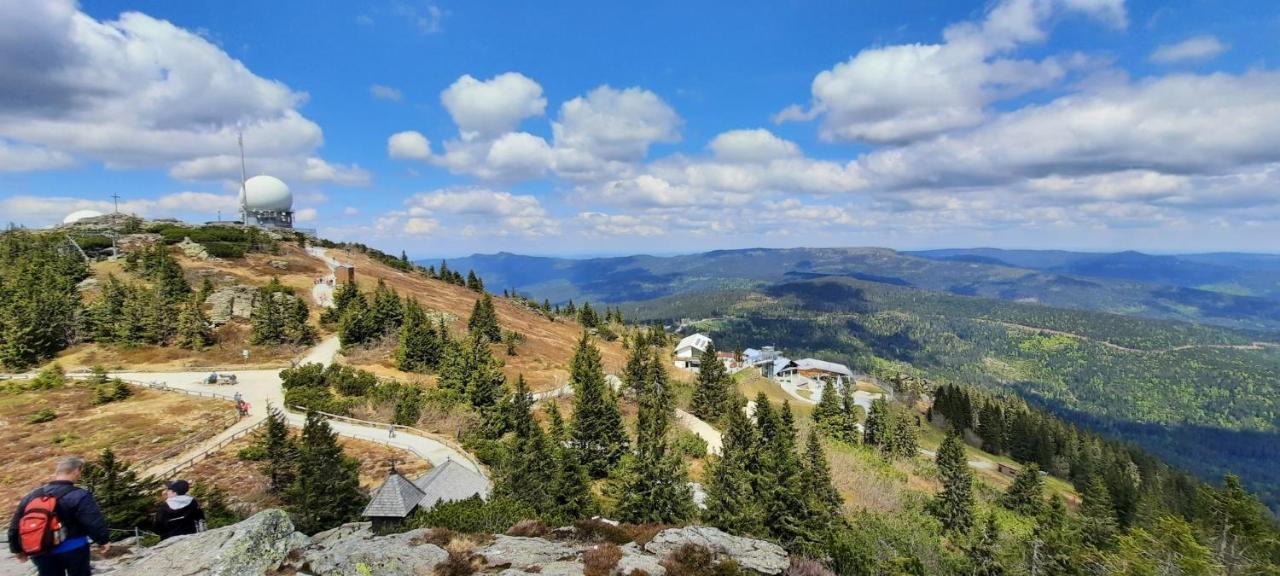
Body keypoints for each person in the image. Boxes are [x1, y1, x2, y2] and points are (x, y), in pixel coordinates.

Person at [8, 456, 110, 576]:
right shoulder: (79, 494)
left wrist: (17, 549)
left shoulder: (31, 496)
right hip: (73, 548)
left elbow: (15, 526)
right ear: (76, 471)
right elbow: (92, 521)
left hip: (40, 549)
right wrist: (103, 540)